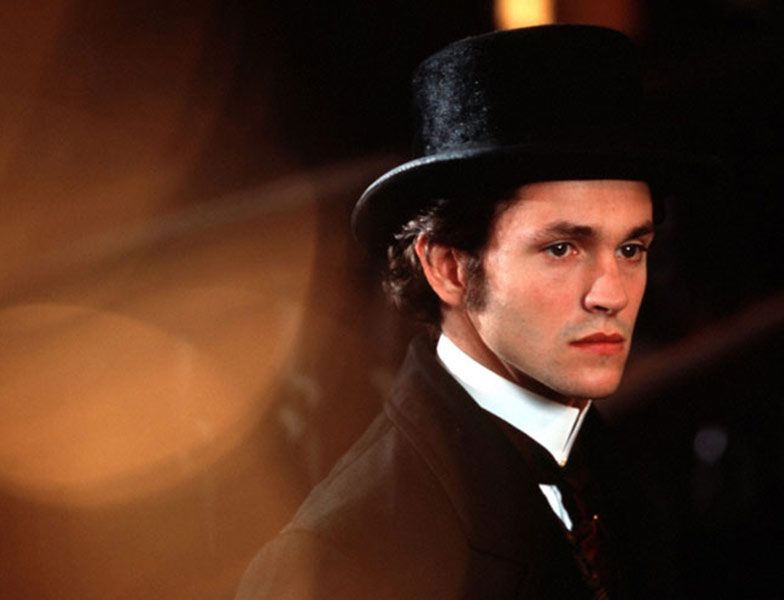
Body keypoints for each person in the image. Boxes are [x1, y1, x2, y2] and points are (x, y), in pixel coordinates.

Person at [237, 24, 710, 599]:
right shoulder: (335, 558)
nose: (611, 294)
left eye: (631, 249)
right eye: (562, 249)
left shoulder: (609, 465)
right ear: (448, 268)